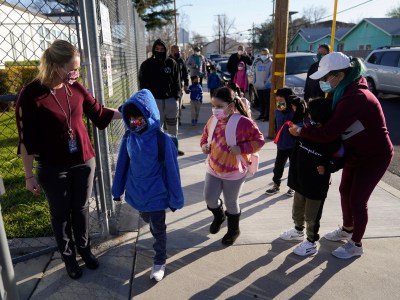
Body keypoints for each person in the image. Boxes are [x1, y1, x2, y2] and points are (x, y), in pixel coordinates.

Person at [15, 40, 122, 279]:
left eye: (77, 68)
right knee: (61, 214)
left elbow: (100, 112)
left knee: (81, 209)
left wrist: (131, 113)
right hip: (53, 167)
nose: (75, 73)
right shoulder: (31, 94)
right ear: (54, 65)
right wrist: (29, 175)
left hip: (84, 161)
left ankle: (84, 249)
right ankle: (68, 257)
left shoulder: (75, 87)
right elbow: (26, 140)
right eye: (71, 68)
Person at [289, 52, 393, 259]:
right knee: (345, 190)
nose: (324, 82)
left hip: (374, 156)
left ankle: (356, 244)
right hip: (355, 153)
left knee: (357, 199)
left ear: (340, 75)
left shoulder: (356, 96)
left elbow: (329, 133)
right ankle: (347, 228)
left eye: (327, 78)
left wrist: (301, 132)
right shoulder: (344, 91)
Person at [112, 89, 184, 282]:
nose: (135, 121)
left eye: (139, 116)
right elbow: (122, 165)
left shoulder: (163, 140)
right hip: (138, 194)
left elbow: (172, 172)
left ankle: (159, 261)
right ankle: (153, 230)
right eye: (131, 117)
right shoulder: (129, 137)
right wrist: (117, 189)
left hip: (157, 195)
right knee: (148, 219)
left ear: (149, 115)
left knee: (158, 229)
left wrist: (176, 199)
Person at [200, 87, 265, 246]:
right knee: (209, 198)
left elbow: (259, 140)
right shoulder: (213, 120)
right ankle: (219, 215)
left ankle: (233, 230)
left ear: (231, 105)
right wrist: (204, 146)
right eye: (213, 106)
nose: (215, 110)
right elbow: (204, 137)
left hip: (234, 171)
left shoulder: (244, 122)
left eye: (219, 106)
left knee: (231, 202)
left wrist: (242, 149)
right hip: (213, 168)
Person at [280, 97, 344, 256]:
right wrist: (294, 132)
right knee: (298, 209)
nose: (307, 117)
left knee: (312, 215)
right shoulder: (307, 128)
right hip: (300, 179)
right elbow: (296, 132)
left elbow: (340, 157)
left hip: (316, 184)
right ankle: (298, 230)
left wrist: (328, 167)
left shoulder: (331, 138)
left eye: (310, 114)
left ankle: (310, 242)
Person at [139, 39, 184, 156]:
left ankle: (173, 148)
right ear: (153, 50)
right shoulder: (146, 65)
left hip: (170, 101)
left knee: (173, 127)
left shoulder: (171, 63)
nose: (159, 51)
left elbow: (177, 81)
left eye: (162, 49)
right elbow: (142, 85)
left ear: (165, 50)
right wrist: (147, 101)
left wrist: (177, 96)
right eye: (157, 49)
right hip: (155, 102)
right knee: (157, 128)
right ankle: (159, 150)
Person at [266, 88, 306, 196]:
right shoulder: (278, 110)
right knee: (278, 166)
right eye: (277, 99)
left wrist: (298, 106)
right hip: (281, 144)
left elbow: (302, 118)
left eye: (282, 99)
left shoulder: (295, 111)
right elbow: (276, 124)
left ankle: (292, 187)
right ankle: (276, 185)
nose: (279, 102)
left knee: (294, 166)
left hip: (293, 144)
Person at [251, 48, 273, 121]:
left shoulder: (271, 63)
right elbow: (254, 73)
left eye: (265, 54)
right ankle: (262, 115)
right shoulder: (258, 63)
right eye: (262, 54)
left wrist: (266, 83)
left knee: (267, 102)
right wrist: (254, 82)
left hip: (266, 86)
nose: (264, 55)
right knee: (261, 102)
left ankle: (267, 116)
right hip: (259, 85)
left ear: (268, 54)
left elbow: (271, 74)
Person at [169, 45, 189, 120]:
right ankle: (169, 119)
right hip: (169, 86)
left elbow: (185, 72)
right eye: (177, 51)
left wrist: (186, 83)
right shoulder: (167, 61)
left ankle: (178, 119)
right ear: (172, 51)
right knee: (170, 104)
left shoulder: (181, 61)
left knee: (179, 103)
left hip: (180, 85)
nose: (179, 53)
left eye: (179, 51)